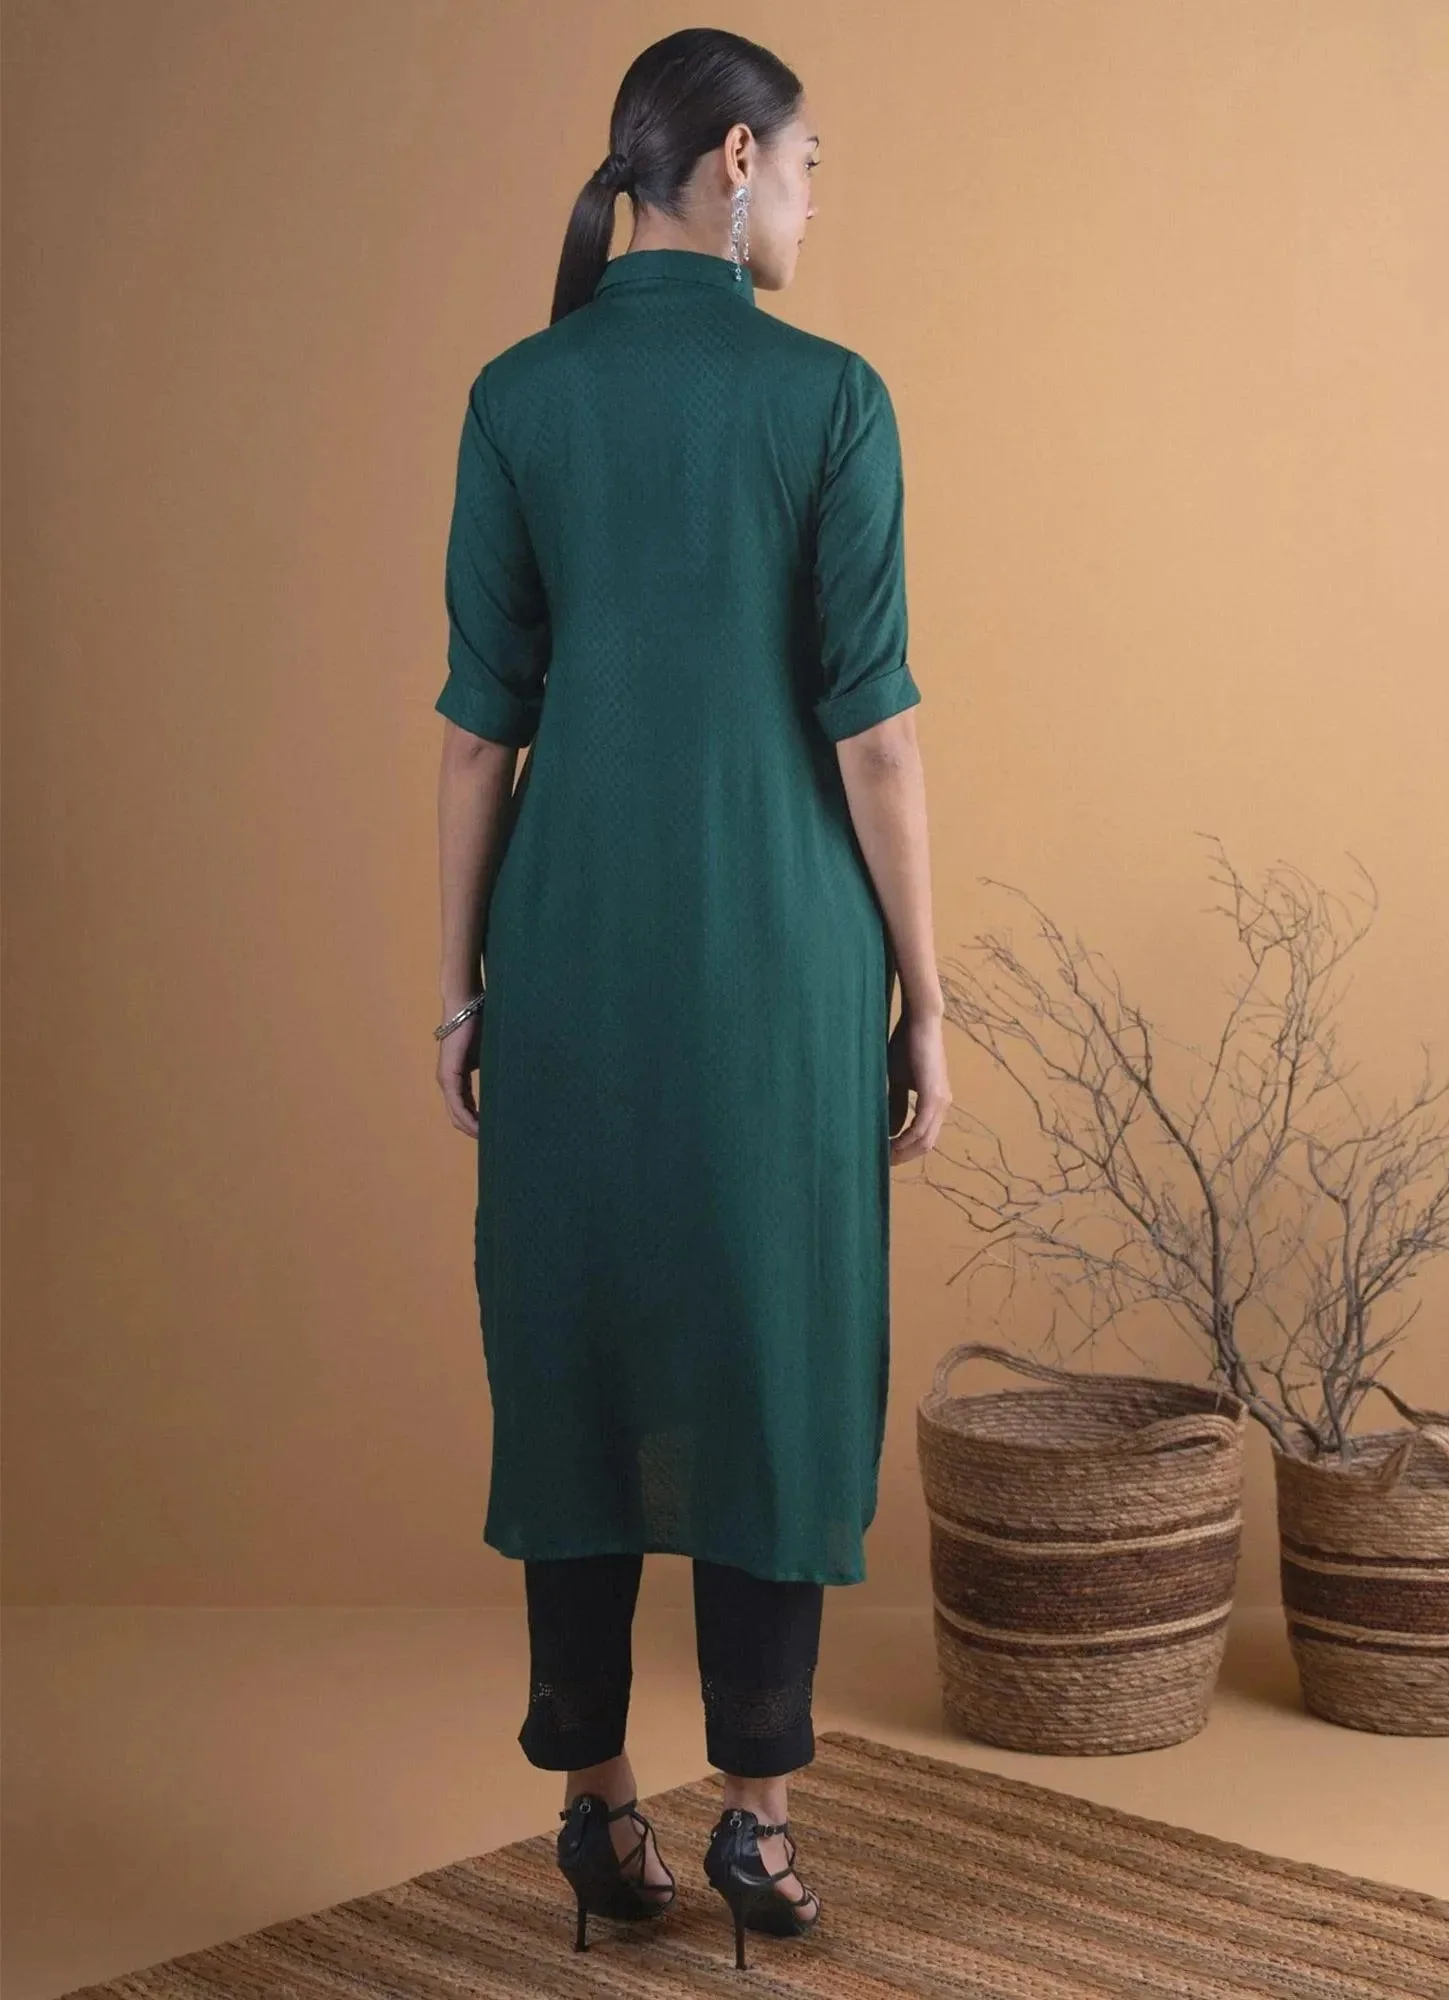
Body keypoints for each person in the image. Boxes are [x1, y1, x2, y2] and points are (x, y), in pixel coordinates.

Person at [432, 26, 948, 1970]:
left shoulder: (515, 395)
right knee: (771, 1355)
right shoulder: (832, 398)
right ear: (735, 162)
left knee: (571, 1358)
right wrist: (925, 996)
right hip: (781, 958)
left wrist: (457, 995)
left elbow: (478, 735)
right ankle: (758, 1822)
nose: (814, 201)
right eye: (809, 165)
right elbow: (875, 738)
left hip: (563, 951)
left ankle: (592, 1807)